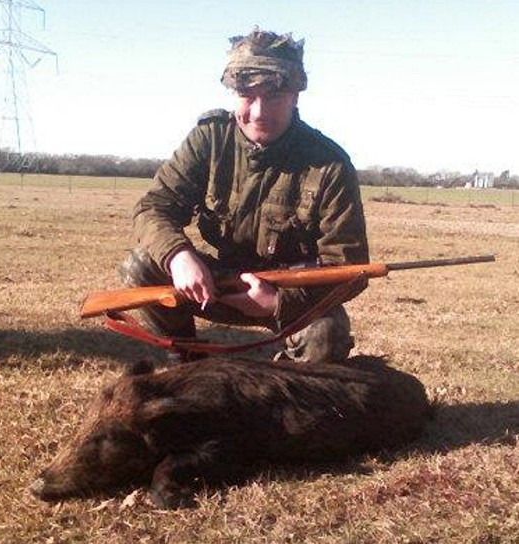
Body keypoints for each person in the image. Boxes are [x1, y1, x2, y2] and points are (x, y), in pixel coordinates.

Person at [120, 28, 369, 362]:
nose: (259, 112)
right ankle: (185, 365)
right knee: (141, 266)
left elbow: (350, 268)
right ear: (234, 94)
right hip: (217, 284)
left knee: (326, 333)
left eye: (274, 97)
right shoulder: (209, 139)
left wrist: (278, 302)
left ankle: (289, 384)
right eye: (248, 96)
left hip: (288, 293)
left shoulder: (330, 164)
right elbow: (153, 207)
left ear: (295, 96)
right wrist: (179, 256)